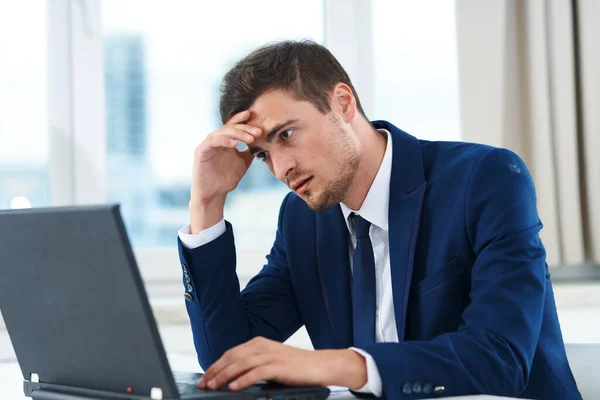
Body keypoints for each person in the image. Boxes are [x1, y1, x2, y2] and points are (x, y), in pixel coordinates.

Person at [177, 40, 581, 399]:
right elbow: (227, 360)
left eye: (285, 135)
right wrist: (207, 203)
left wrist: (334, 366)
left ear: (343, 102)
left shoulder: (483, 179)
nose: (281, 168)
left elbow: (501, 357)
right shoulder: (303, 219)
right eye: (263, 154)